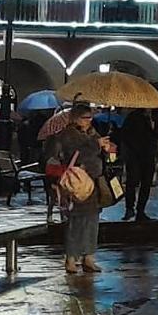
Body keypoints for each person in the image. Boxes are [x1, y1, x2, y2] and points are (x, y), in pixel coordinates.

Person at [49, 103, 113, 276]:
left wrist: (106, 149)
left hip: (93, 181)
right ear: (76, 118)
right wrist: (95, 144)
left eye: (90, 117)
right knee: (76, 221)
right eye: (85, 117)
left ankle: (89, 257)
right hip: (77, 182)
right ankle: (71, 258)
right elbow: (76, 153)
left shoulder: (92, 132)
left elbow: (97, 152)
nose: (89, 121)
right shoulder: (68, 135)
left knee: (92, 221)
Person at [118, 108, 158, 222]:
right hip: (134, 156)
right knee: (132, 182)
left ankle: (141, 210)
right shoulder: (133, 116)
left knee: (146, 184)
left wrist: (154, 125)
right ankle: (129, 208)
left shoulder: (156, 117)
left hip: (149, 155)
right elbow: (125, 135)